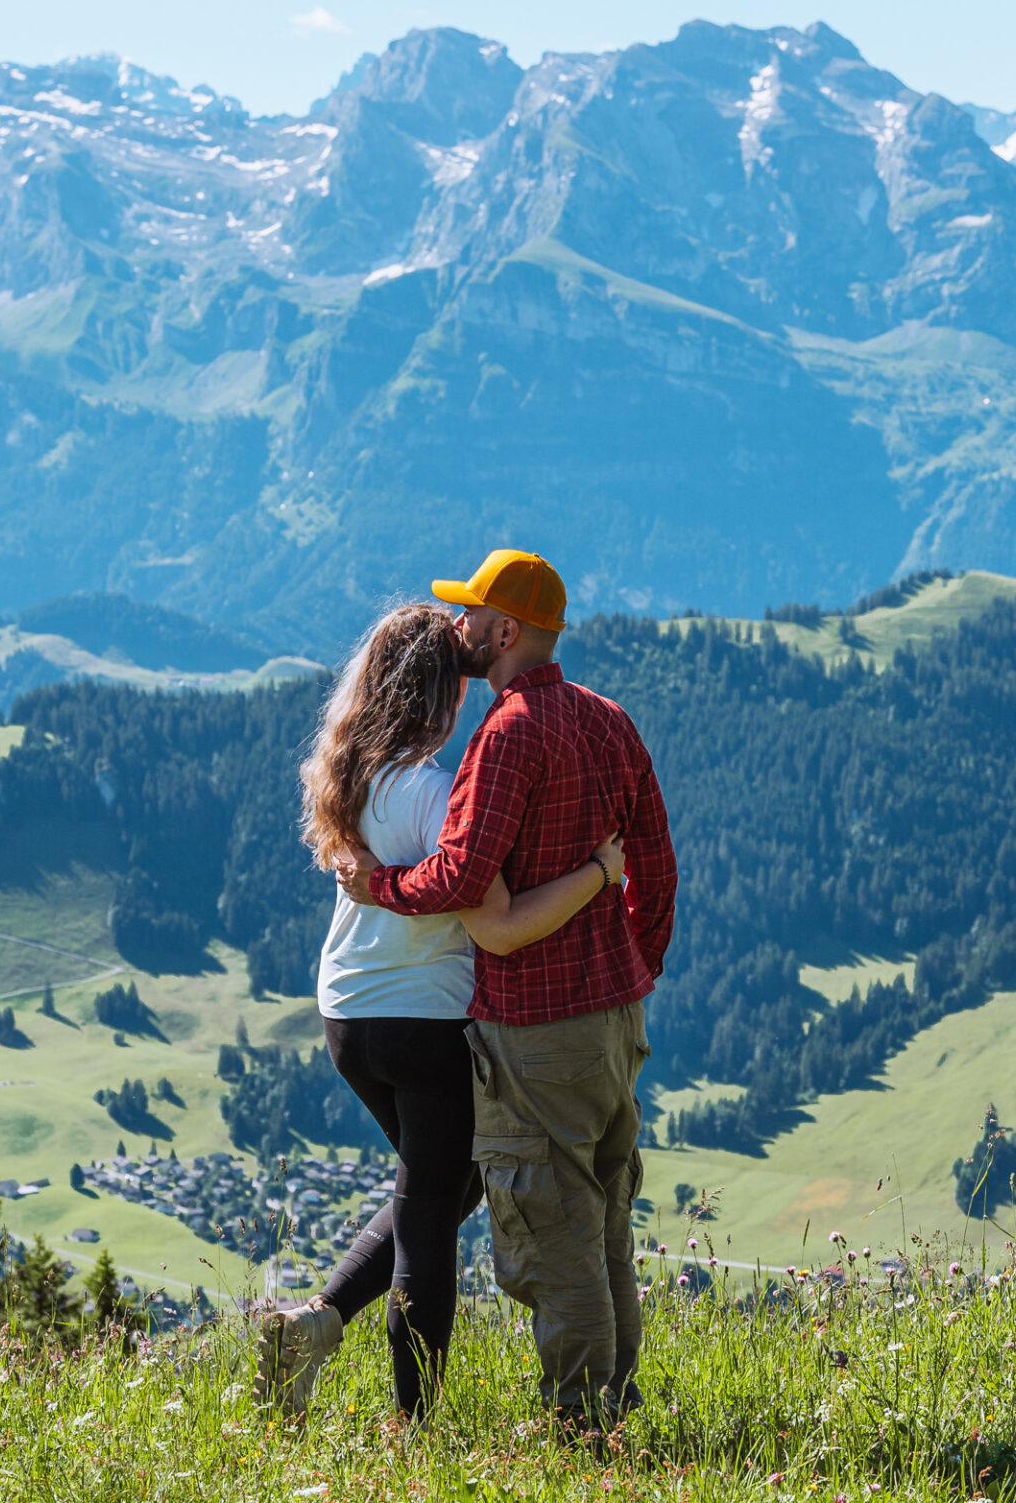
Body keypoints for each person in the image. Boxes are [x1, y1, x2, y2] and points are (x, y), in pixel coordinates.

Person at [255, 600, 623, 1423]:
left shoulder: (351, 775)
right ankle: (412, 1430)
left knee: (442, 1189)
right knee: (430, 1223)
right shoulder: (435, 792)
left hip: (348, 1016)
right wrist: (600, 872)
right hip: (427, 1023)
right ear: (441, 697)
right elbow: (493, 914)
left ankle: (317, 1324)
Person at [336, 549, 678, 1430]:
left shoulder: (504, 735)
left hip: (537, 1023)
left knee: (552, 1230)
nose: (461, 628)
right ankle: (617, 1399)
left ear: (507, 631)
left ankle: (580, 1425)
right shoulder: (611, 720)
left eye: (473, 614)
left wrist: (379, 887)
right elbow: (656, 860)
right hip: (614, 1016)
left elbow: (459, 879)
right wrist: (639, 965)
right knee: (604, 1225)